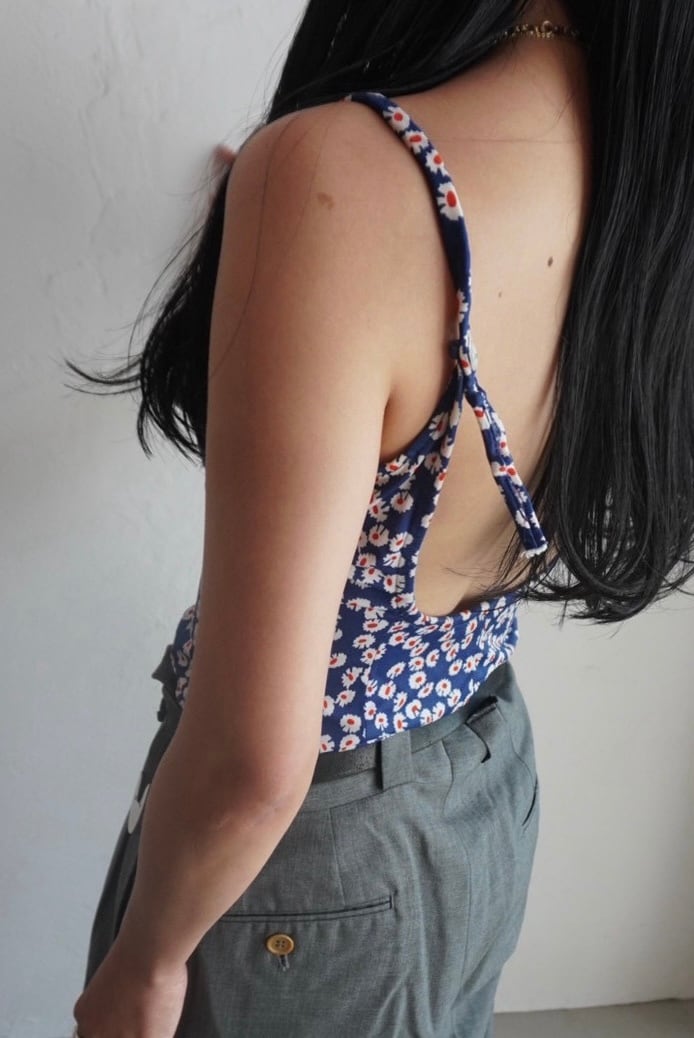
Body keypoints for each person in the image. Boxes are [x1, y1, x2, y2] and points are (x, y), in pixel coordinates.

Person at [63, 0, 694, 1034]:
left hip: (308, 853)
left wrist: (146, 964)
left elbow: (255, 758)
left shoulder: (349, 173)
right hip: (480, 780)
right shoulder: (646, 163)